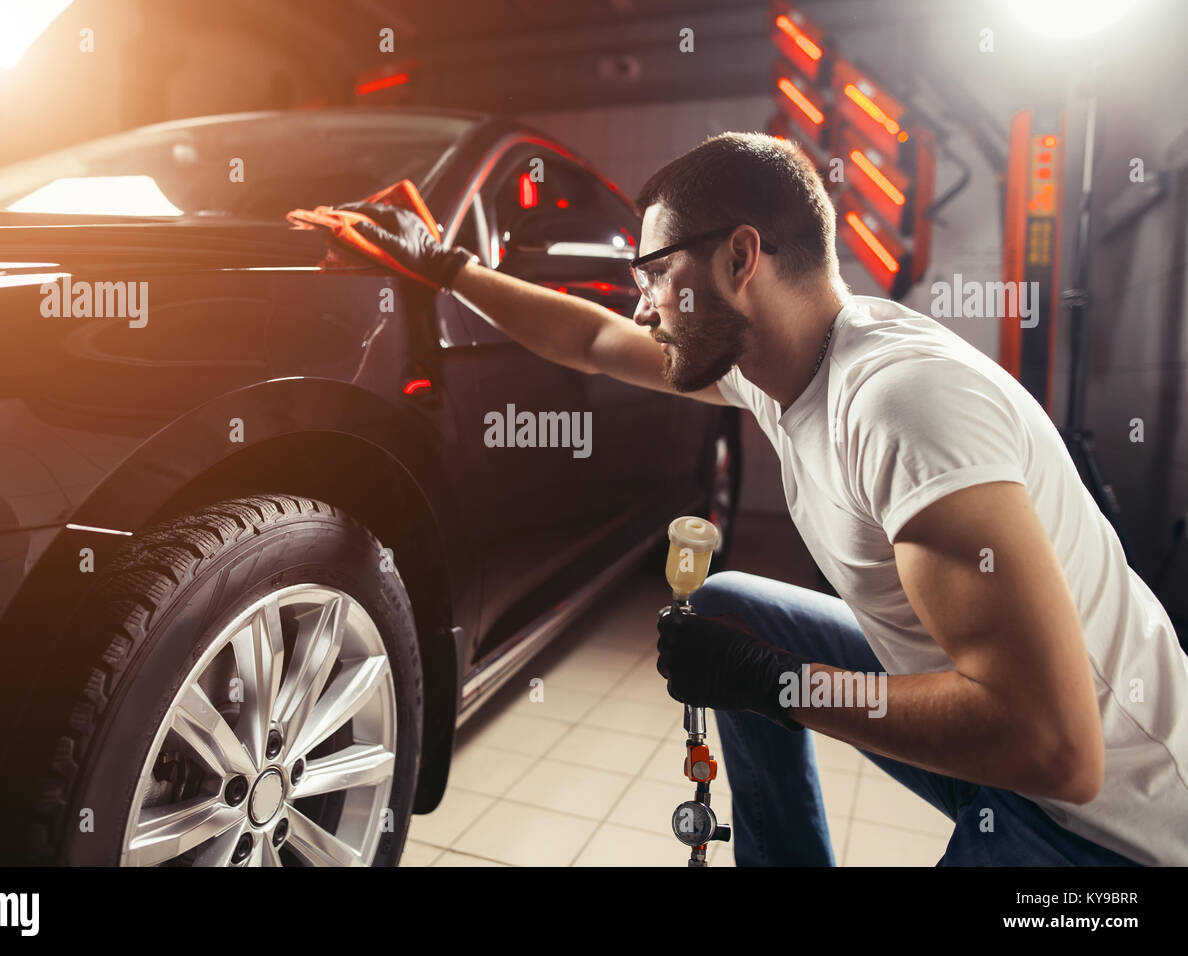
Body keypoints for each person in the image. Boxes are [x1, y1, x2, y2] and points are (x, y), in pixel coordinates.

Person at [336, 131, 1187, 866]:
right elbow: (593, 338)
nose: (643, 301)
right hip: (998, 740)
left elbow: (1058, 750)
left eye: (657, 272)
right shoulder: (777, 367)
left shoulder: (903, 406)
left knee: (755, 661)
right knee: (730, 607)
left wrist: (778, 683)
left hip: (1107, 827)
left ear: (739, 259)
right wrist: (445, 264)